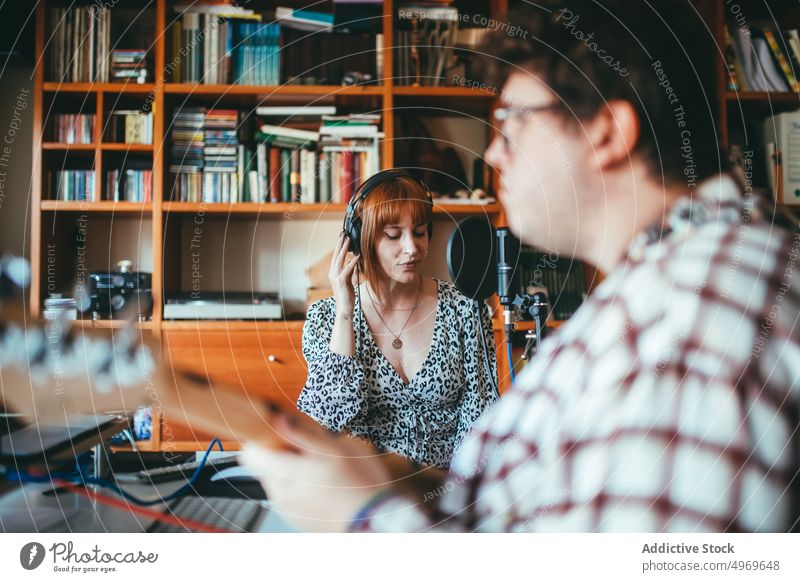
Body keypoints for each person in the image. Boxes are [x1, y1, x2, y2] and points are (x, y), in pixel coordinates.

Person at [241, 0, 800, 532]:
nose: (494, 153)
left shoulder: (693, 318)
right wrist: (395, 481)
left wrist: (364, 515)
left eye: (512, 120)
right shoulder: (662, 283)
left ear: (605, 132)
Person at [295, 170, 498, 469]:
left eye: (419, 231)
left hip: (444, 491)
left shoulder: (465, 308)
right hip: (365, 488)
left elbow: (480, 417)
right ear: (359, 240)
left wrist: (452, 497)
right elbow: (327, 422)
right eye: (393, 235)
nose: (412, 248)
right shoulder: (325, 317)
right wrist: (345, 312)